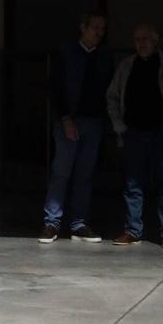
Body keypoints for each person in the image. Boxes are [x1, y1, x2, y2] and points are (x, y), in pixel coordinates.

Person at [106, 23, 163, 249]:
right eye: (137, 39)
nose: (142, 43)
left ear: (156, 40)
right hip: (133, 133)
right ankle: (133, 230)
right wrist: (119, 126)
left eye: (146, 39)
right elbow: (112, 97)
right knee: (133, 184)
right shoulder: (126, 66)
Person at [40, 12, 112, 244]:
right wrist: (65, 118)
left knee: (85, 174)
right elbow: (55, 88)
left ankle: (79, 224)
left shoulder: (104, 55)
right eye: (95, 28)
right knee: (62, 172)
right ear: (83, 27)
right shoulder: (66, 52)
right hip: (68, 120)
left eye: (102, 29)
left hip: (94, 121)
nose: (99, 33)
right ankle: (51, 223)